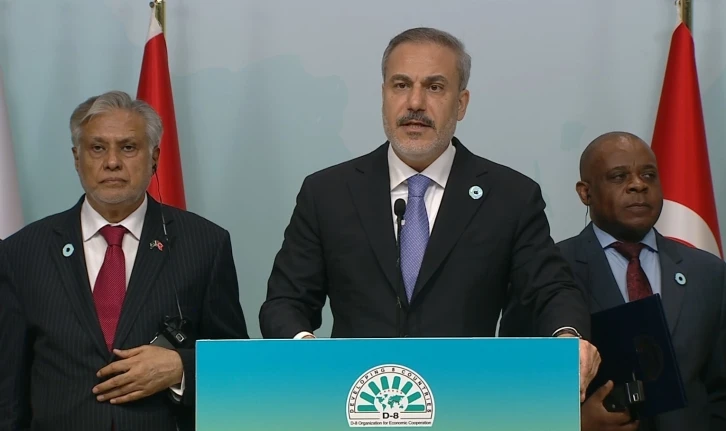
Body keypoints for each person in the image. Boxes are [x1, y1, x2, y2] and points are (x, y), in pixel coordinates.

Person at [259, 27, 600, 399]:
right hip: (352, 400)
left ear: (461, 103)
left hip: (469, 400)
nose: (415, 103)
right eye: (401, 85)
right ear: (384, 95)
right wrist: (306, 351)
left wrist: (568, 338)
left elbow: (551, 290)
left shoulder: (510, 197)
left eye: (435, 87)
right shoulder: (328, 193)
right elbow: (285, 302)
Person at [0, 90, 249, 431]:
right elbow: (8, 388)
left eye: (128, 147)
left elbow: (235, 363)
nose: (112, 162)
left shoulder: (205, 243)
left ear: (155, 156)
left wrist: (181, 368)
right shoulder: (23, 251)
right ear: (76, 158)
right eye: (97, 148)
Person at [501, 131, 726, 430]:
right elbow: (517, 387)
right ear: (585, 193)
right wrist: (577, 424)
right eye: (619, 177)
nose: (638, 185)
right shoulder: (545, 271)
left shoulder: (708, 272)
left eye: (649, 175)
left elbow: (720, 388)